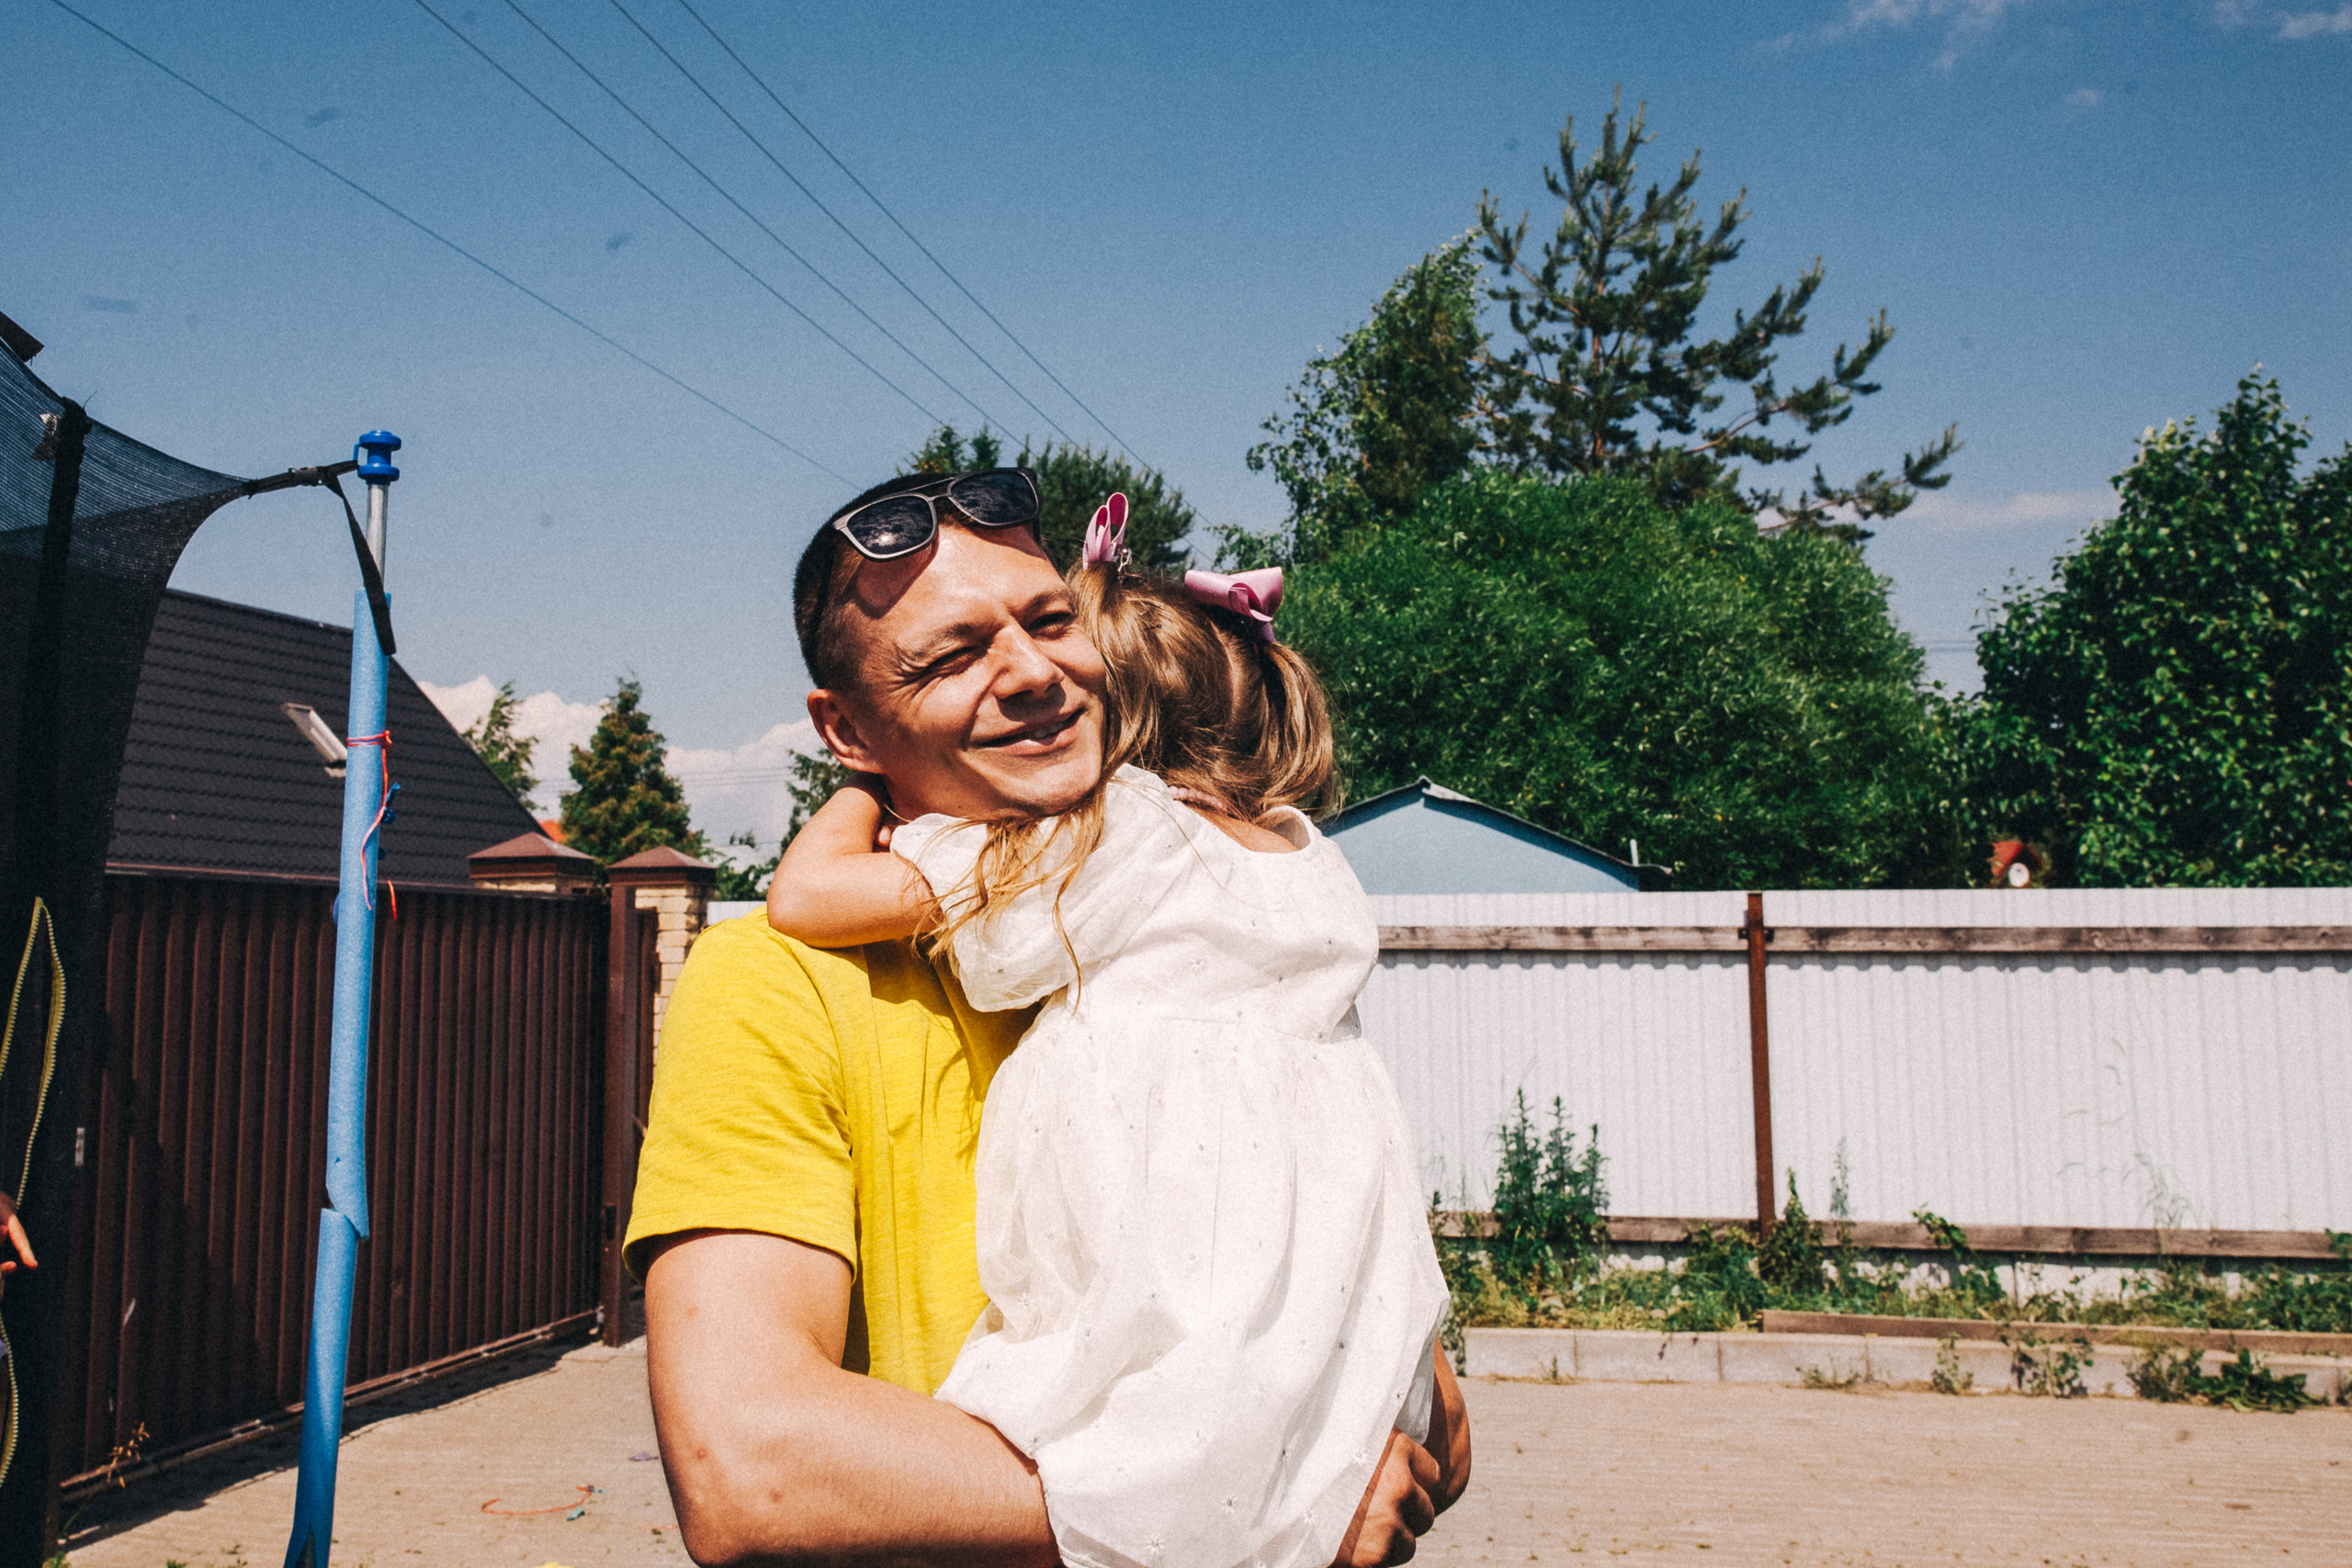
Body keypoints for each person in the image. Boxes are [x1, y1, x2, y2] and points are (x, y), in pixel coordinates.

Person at [627, 469, 1456, 1568]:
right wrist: (1264, 1502)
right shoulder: (779, 982)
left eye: (1050, 620)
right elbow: (754, 1470)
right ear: (848, 728)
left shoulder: (1174, 926)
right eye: (949, 656)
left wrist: (1343, 1459)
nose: (1031, 675)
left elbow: (1436, 1432)